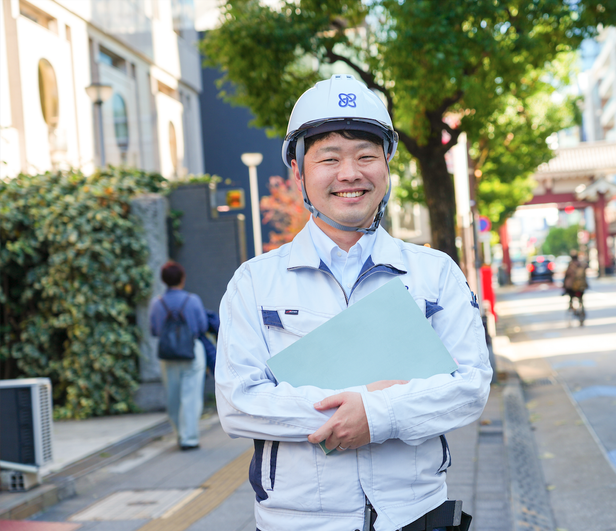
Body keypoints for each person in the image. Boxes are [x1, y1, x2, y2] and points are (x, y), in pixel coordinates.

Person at [215, 74, 492, 531]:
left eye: (366, 156)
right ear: (299, 173)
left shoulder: (434, 272)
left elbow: (470, 386)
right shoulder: (254, 282)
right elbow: (239, 401)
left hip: (415, 514)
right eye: (329, 158)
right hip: (297, 521)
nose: (350, 174)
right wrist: (361, 408)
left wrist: (378, 415)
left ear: (386, 167)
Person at [149, 261, 208, 451]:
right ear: (182, 278)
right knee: (191, 396)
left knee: (173, 396)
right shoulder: (192, 300)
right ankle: (189, 438)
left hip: (168, 355)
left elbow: (154, 331)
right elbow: (202, 327)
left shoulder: (157, 302)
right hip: (192, 350)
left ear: (163, 280)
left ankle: (179, 434)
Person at [562, 250, 588, 320]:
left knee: (571, 297)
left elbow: (566, 276)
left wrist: (564, 286)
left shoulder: (570, 265)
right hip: (581, 287)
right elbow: (585, 276)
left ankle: (572, 307)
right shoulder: (582, 265)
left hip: (572, 288)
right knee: (581, 298)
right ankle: (581, 309)